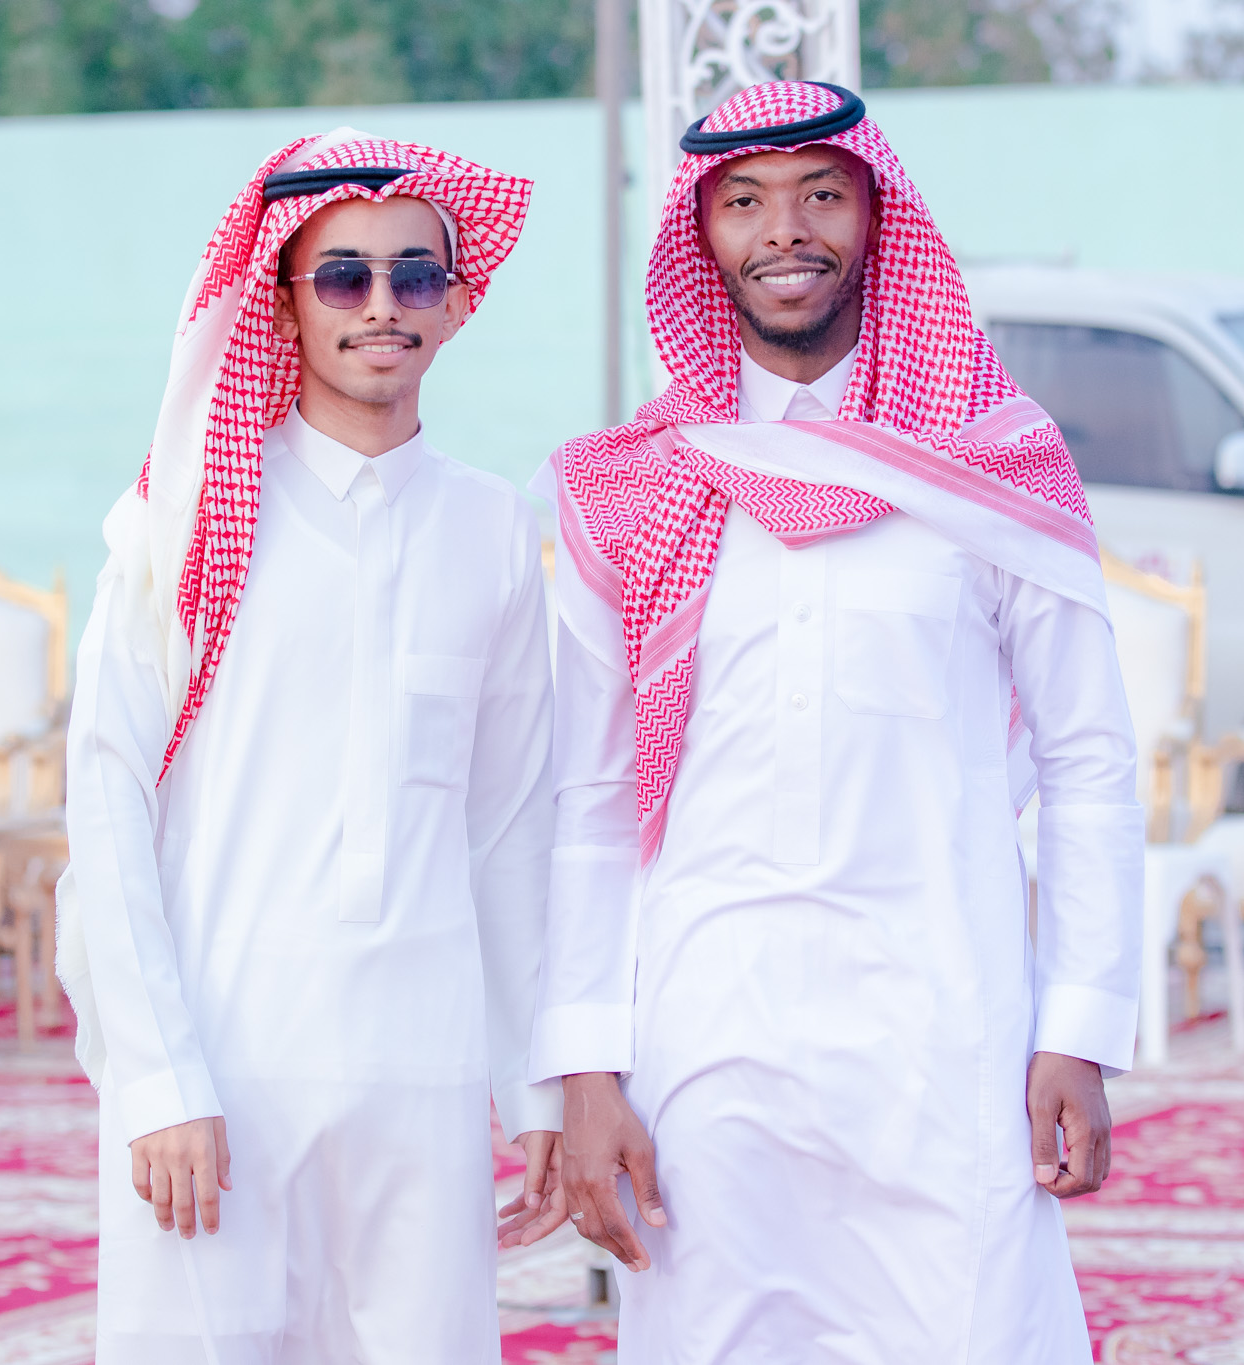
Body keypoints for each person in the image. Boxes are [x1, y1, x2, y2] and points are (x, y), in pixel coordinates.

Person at [524, 82, 1143, 1361]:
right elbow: (588, 802)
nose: (783, 231)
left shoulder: (993, 461)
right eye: (743, 203)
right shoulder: (631, 487)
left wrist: (1078, 1028)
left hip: (944, 1025)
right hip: (708, 1036)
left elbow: (1087, 761)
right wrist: (585, 1069)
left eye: (820, 194)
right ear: (701, 239)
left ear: (876, 215)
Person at [58, 129, 562, 1364]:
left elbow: (509, 830)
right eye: (342, 276)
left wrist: (534, 1087)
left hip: (421, 1076)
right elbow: (108, 807)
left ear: (454, 305)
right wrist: (158, 1078)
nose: (381, 305)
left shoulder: (494, 529)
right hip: (225, 1067)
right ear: (283, 301)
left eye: (413, 275)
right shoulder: (186, 524)